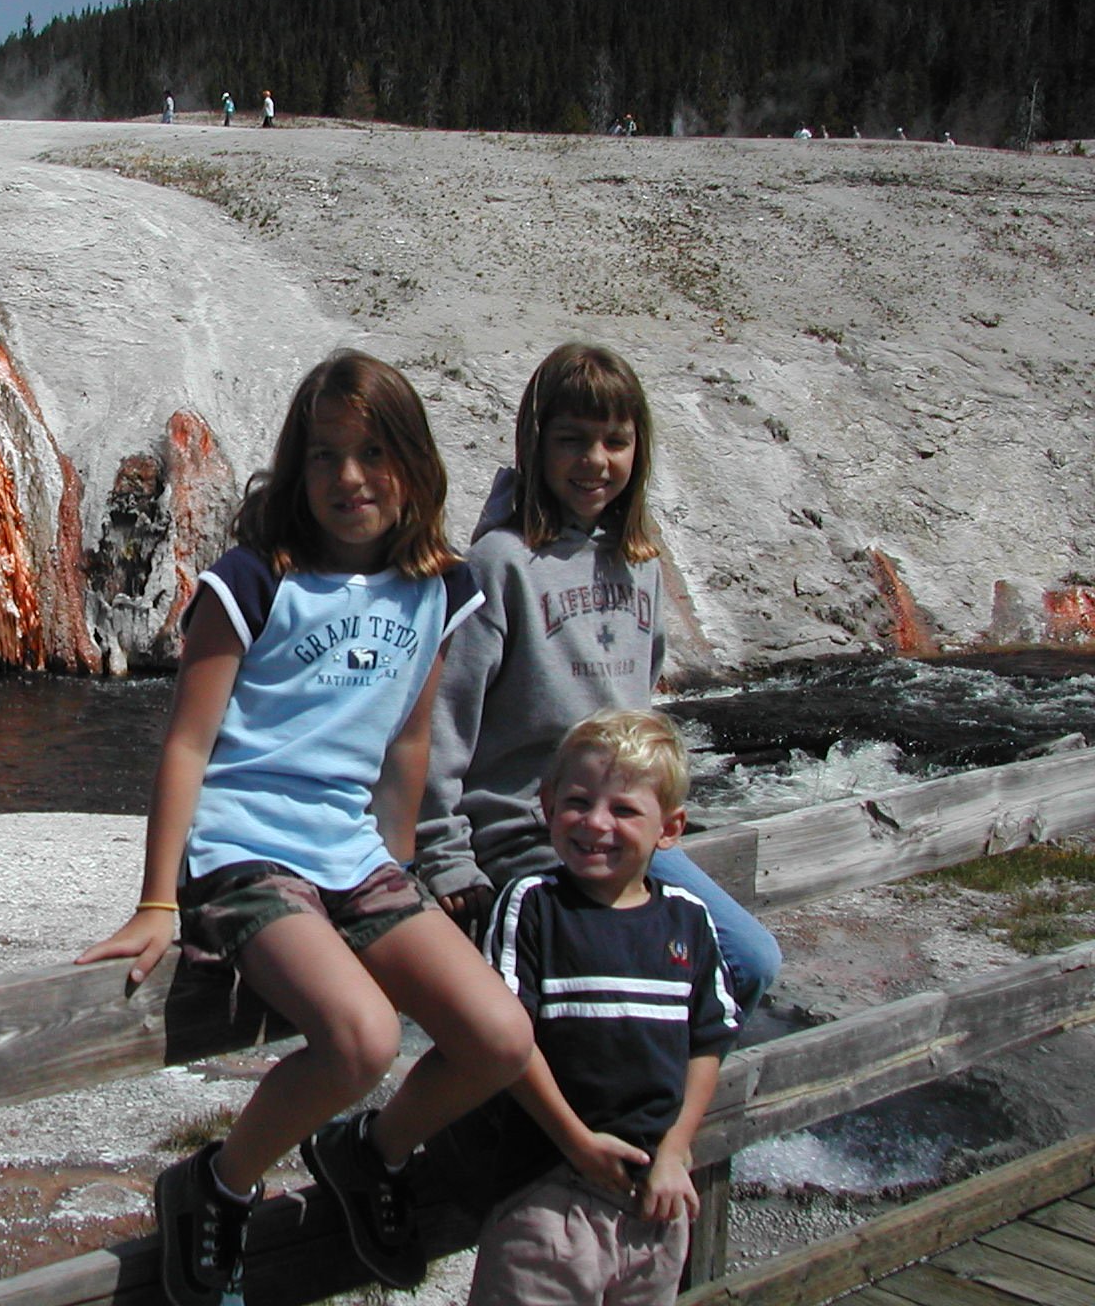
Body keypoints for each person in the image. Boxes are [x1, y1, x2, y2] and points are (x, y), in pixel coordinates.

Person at [80, 350, 534, 1306]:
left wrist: (401, 879)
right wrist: (159, 898)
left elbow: (409, 749)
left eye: (373, 452)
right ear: (297, 468)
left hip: (353, 849)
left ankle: (369, 1151)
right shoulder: (253, 581)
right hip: (243, 845)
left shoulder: (439, 589)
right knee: (362, 1038)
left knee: (499, 1033)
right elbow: (187, 749)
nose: (350, 477)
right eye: (325, 456)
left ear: (413, 464)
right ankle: (218, 1182)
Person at [415, 343, 780, 1013]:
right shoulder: (501, 564)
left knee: (748, 959)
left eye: (615, 441)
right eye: (573, 441)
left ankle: (653, 1116)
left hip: (627, 836)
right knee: (594, 992)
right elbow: (443, 722)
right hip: (531, 838)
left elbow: (641, 709)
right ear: (535, 444)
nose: (596, 461)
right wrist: (443, 856)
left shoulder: (637, 560)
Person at [463, 709, 739, 1306]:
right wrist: (576, 1143)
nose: (595, 824)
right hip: (547, 1188)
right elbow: (508, 1040)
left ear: (670, 828)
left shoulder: (688, 919)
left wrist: (677, 1148)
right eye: (579, 802)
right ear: (546, 803)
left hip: (655, 1196)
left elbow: (709, 1040)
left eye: (623, 810)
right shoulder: (532, 905)